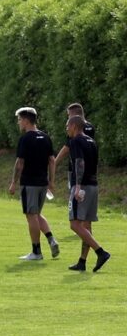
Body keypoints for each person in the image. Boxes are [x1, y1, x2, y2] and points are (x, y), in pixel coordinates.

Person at [8, 107, 59, 260]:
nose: (18, 123)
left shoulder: (25, 139)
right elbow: (52, 161)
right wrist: (52, 181)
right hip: (43, 183)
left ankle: (36, 252)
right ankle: (51, 239)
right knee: (36, 214)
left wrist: (13, 182)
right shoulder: (45, 137)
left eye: (19, 120)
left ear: (26, 120)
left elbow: (20, 163)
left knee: (31, 216)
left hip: (29, 183)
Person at [65, 115, 110, 272]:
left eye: (67, 126)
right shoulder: (92, 141)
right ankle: (82, 261)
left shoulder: (76, 141)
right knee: (86, 224)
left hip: (82, 186)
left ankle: (101, 252)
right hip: (93, 185)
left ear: (75, 126)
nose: (67, 129)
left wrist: (77, 186)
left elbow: (79, 162)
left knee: (74, 224)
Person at [54, 102, 95, 188]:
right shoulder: (90, 127)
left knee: (75, 193)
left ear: (74, 115)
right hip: (90, 168)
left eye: (69, 115)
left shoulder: (75, 128)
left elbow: (67, 147)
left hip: (76, 166)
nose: (68, 118)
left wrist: (54, 162)